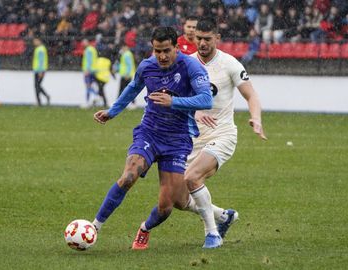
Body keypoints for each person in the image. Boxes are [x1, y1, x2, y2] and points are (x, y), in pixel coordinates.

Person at [135, 18, 267, 249]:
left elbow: (252, 95)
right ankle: (224, 216)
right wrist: (194, 114)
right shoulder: (185, 64)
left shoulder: (230, 64)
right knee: (178, 200)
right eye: (199, 38)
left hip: (222, 134)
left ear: (217, 38)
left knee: (193, 177)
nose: (203, 43)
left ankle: (212, 234)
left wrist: (256, 118)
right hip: (191, 138)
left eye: (208, 39)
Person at [91, 27, 213, 250]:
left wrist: (173, 102)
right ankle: (93, 227)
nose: (162, 56)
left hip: (177, 140)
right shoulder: (147, 66)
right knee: (129, 175)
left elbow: (206, 99)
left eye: (166, 50)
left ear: (176, 47)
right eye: (157, 51)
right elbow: (132, 88)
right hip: (150, 132)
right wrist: (112, 111)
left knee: (167, 206)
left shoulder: (190, 66)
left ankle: (145, 228)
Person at [32, 37, 50, 106]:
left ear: (39, 41)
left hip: (39, 70)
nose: (34, 42)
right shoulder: (39, 48)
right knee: (37, 85)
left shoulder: (41, 49)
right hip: (37, 70)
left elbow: (41, 61)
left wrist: (40, 71)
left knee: (37, 86)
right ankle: (41, 99)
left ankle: (41, 100)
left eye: (35, 41)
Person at [117, 43, 136, 108]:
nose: (122, 49)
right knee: (128, 90)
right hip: (125, 75)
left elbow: (129, 65)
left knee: (123, 89)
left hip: (126, 75)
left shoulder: (126, 54)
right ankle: (132, 103)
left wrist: (127, 74)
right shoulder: (127, 54)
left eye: (123, 47)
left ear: (126, 47)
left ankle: (117, 103)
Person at [81, 38, 98, 107]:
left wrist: (87, 69)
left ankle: (94, 97)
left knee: (88, 86)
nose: (82, 44)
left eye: (83, 42)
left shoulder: (88, 50)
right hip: (94, 70)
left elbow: (89, 61)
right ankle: (91, 99)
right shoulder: (93, 49)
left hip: (89, 70)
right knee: (90, 86)